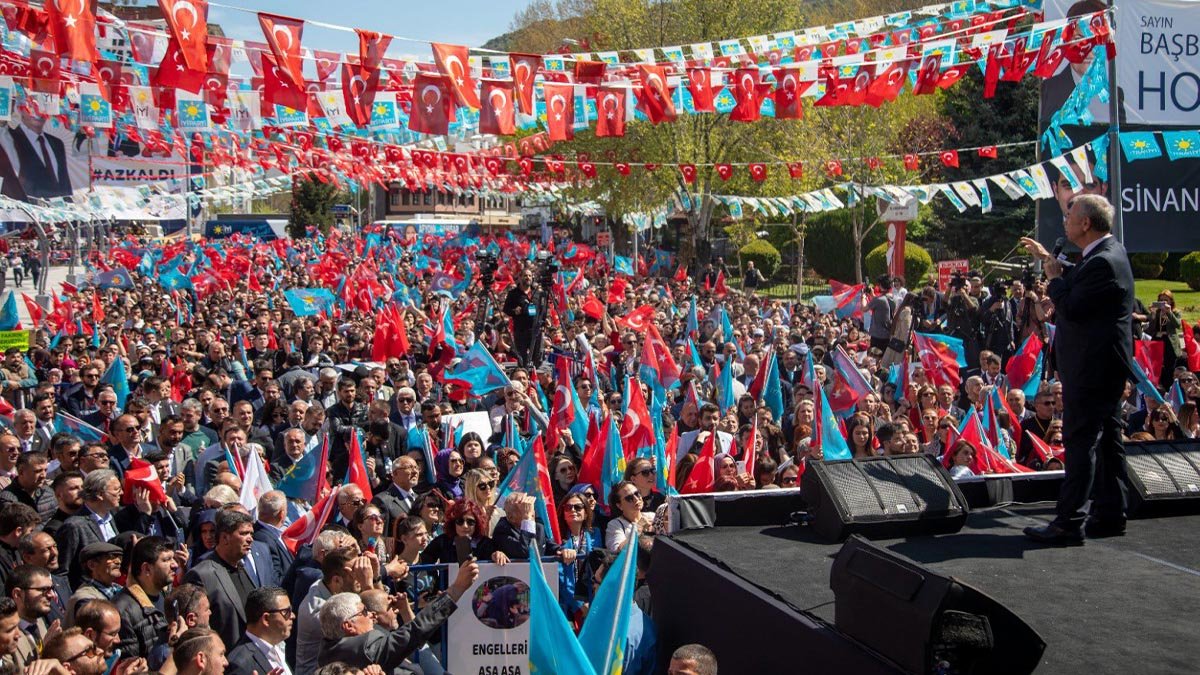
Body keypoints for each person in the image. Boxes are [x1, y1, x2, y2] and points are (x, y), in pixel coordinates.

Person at [1020, 194, 1134, 545]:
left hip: (1092, 368)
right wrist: (1051, 261)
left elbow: (1072, 306)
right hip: (1104, 366)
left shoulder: (1102, 262)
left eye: (1070, 215)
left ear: (1086, 223)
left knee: (1081, 440)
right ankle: (1111, 513)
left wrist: (1053, 279)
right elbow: (1083, 280)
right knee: (1110, 440)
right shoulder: (1107, 254)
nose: (1065, 221)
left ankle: (1068, 522)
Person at [316, 560, 479, 673]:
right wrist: (456, 589)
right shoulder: (365, 648)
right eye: (364, 612)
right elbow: (413, 631)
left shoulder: (328, 650)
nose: (371, 615)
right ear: (348, 625)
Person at [224, 587, 294, 675]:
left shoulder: (279, 647)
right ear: (266, 619)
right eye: (286, 611)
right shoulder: (239, 664)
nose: (293, 616)